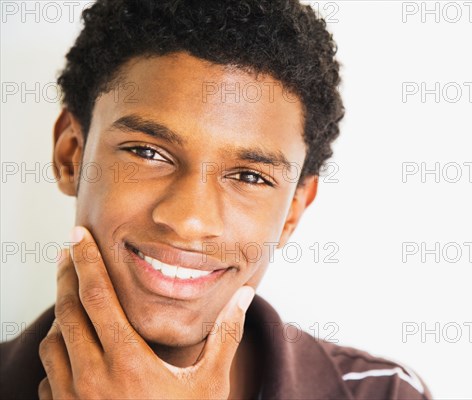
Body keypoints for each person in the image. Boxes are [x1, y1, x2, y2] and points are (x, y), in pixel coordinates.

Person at [0, 0, 432, 398]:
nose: (189, 220)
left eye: (249, 176)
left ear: (293, 212)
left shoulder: (383, 393)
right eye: (149, 153)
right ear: (71, 155)